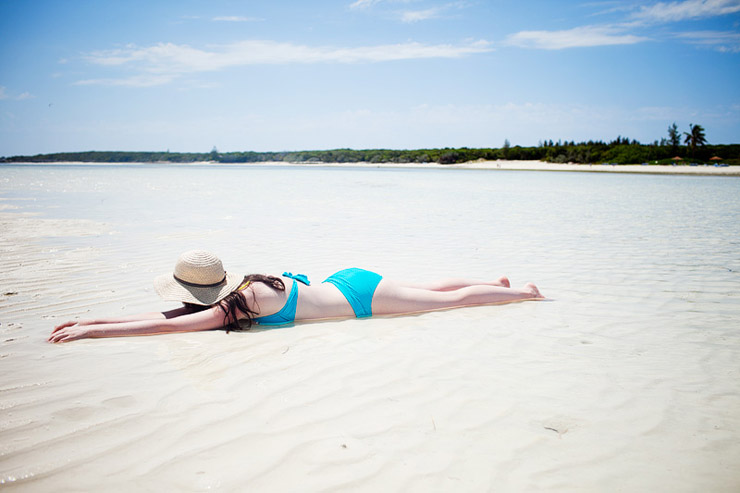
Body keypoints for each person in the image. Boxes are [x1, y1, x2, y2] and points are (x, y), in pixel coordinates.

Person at [49, 250, 544, 343]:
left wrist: (91, 333)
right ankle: (496, 282)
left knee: (446, 303)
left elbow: (167, 325)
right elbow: (168, 314)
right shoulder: (246, 287)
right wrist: (94, 319)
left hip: (359, 302)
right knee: (427, 287)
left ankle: (522, 292)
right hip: (349, 278)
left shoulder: (239, 308)